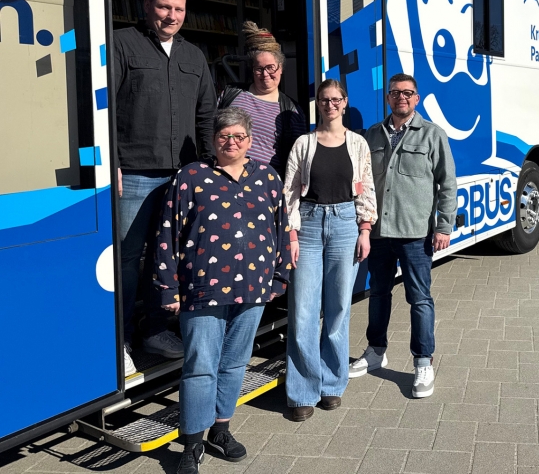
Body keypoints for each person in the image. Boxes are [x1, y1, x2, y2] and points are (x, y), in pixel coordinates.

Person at [153, 107, 294, 474]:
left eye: (239, 136)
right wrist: (168, 288)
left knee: (234, 363)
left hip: (254, 288)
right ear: (213, 140)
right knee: (200, 366)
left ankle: (221, 429)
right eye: (224, 136)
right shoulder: (191, 177)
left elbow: (281, 228)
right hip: (202, 289)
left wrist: (279, 277)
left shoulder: (267, 176)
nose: (232, 142)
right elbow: (167, 233)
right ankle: (192, 443)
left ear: (250, 140)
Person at [114, 0, 216, 376]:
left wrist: (209, 167)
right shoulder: (122, 44)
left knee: (168, 259)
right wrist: (111, 163)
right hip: (134, 172)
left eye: (178, 9)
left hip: (183, 175)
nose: (171, 16)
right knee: (126, 259)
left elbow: (206, 114)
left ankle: (155, 330)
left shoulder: (194, 56)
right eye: (164, 7)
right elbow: (102, 105)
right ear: (147, 7)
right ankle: (121, 340)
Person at [349, 73, 456, 398]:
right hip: (379, 232)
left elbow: (447, 183)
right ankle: (376, 351)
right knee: (378, 294)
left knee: (419, 299)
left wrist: (443, 226)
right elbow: (362, 181)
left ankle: (423, 362)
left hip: (415, 233)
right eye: (395, 93)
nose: (401, 98)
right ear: (388, 98)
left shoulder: (432, 135)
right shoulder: (372, 135)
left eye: (408, 93)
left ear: (416, 98)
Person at [283, 79, 378, 421]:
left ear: (345, 102)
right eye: (325, 99)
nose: (331, 105)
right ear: (318, 104)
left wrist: (365, 230)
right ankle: (303, 390)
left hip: (345, 224)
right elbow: (290, 190)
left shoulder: (358, 143)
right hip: (308, 225)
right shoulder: (304, 143)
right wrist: (291, 234)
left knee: (338, 308)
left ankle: (333, 384)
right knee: (303, 311)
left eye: (336, 99)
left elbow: (366, 188)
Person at [217, 22, 307, 177]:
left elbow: (297, 160)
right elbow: (211, 130)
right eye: (259, 69)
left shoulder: (291, 111)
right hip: (224, 178)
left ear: (281, 68)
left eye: (270, 67)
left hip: (266, 184)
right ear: (252, 70)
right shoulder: (231, 94)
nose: (265, 74)